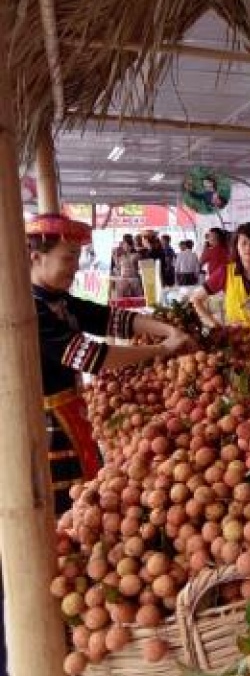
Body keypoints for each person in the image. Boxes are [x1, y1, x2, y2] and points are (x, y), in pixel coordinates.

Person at [27, 214, 195, 515]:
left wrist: (168, 330)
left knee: (85, 496)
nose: (76, 267)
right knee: (61, 505)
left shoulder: (60, 300)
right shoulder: (31, 311)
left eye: (77, 257)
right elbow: (93, 357)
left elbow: (110, 319)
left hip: (71, 410)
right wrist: (161, 349)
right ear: (36, 258)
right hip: (44, 423)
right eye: (68, 258)